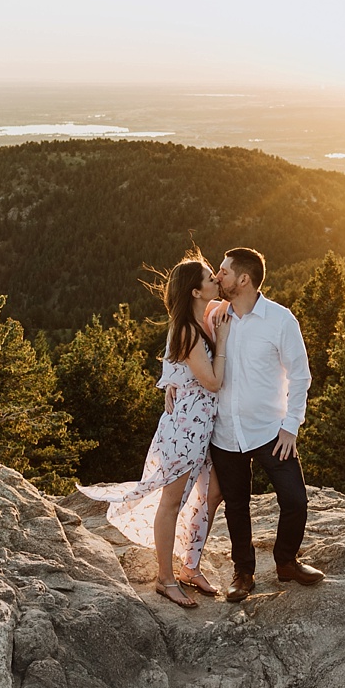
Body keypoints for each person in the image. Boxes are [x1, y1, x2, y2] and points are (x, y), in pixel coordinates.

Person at [78, 252, 229, 608]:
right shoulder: (189, 331)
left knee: (213, 492)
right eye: (210, 277)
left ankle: (190, 565)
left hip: (204, 423)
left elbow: (235, 300)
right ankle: (165, 578)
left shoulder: (203, 315)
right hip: (187, 424)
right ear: (195, 291)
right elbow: (212, 381)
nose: (216, 280)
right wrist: (220, 344)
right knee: (173, 499)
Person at [206, 246, 323, 602]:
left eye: (224, 271)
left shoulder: (281, 320)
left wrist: (291, 426)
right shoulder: (214, 316)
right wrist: (172, 383)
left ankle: (286, 562)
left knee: (295, 501)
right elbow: (183, 340)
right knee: (236, 507)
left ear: (244, 280)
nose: (217, 276)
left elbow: (300, 377)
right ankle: (244, 573)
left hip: (272, 432)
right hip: (225, 431)